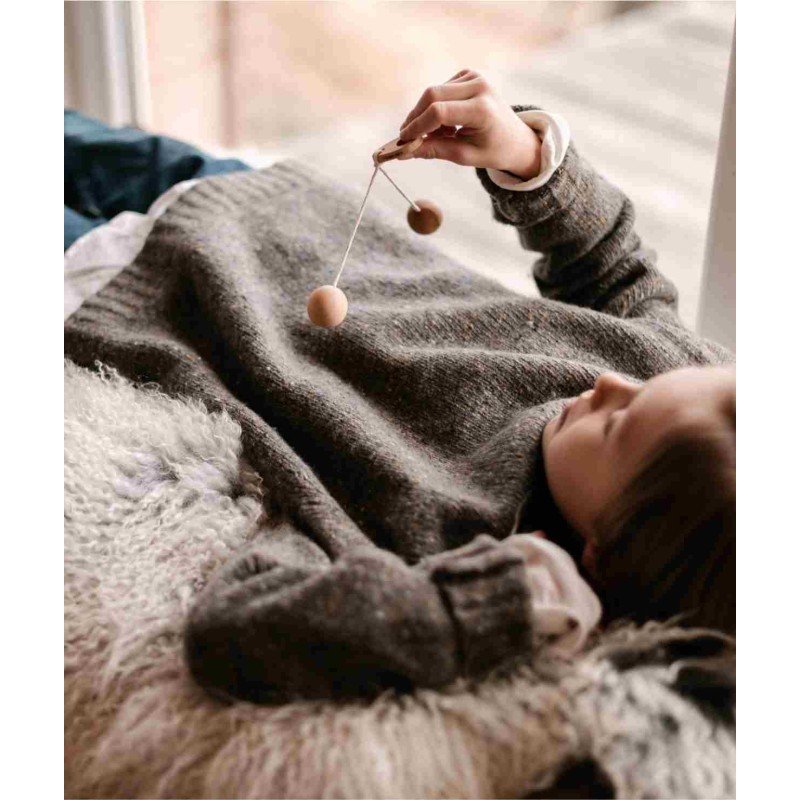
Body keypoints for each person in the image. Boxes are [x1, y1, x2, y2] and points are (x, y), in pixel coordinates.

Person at [64, 71, 734, 703]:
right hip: (254, 201)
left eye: (616, 426)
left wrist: (497, 603)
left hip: (126, 281)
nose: (613, 383)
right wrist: (528, 158)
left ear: (597, 554)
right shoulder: (673, 375)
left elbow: (235, 630)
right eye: (646, 388)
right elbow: (613, 270)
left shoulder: (449, 533)